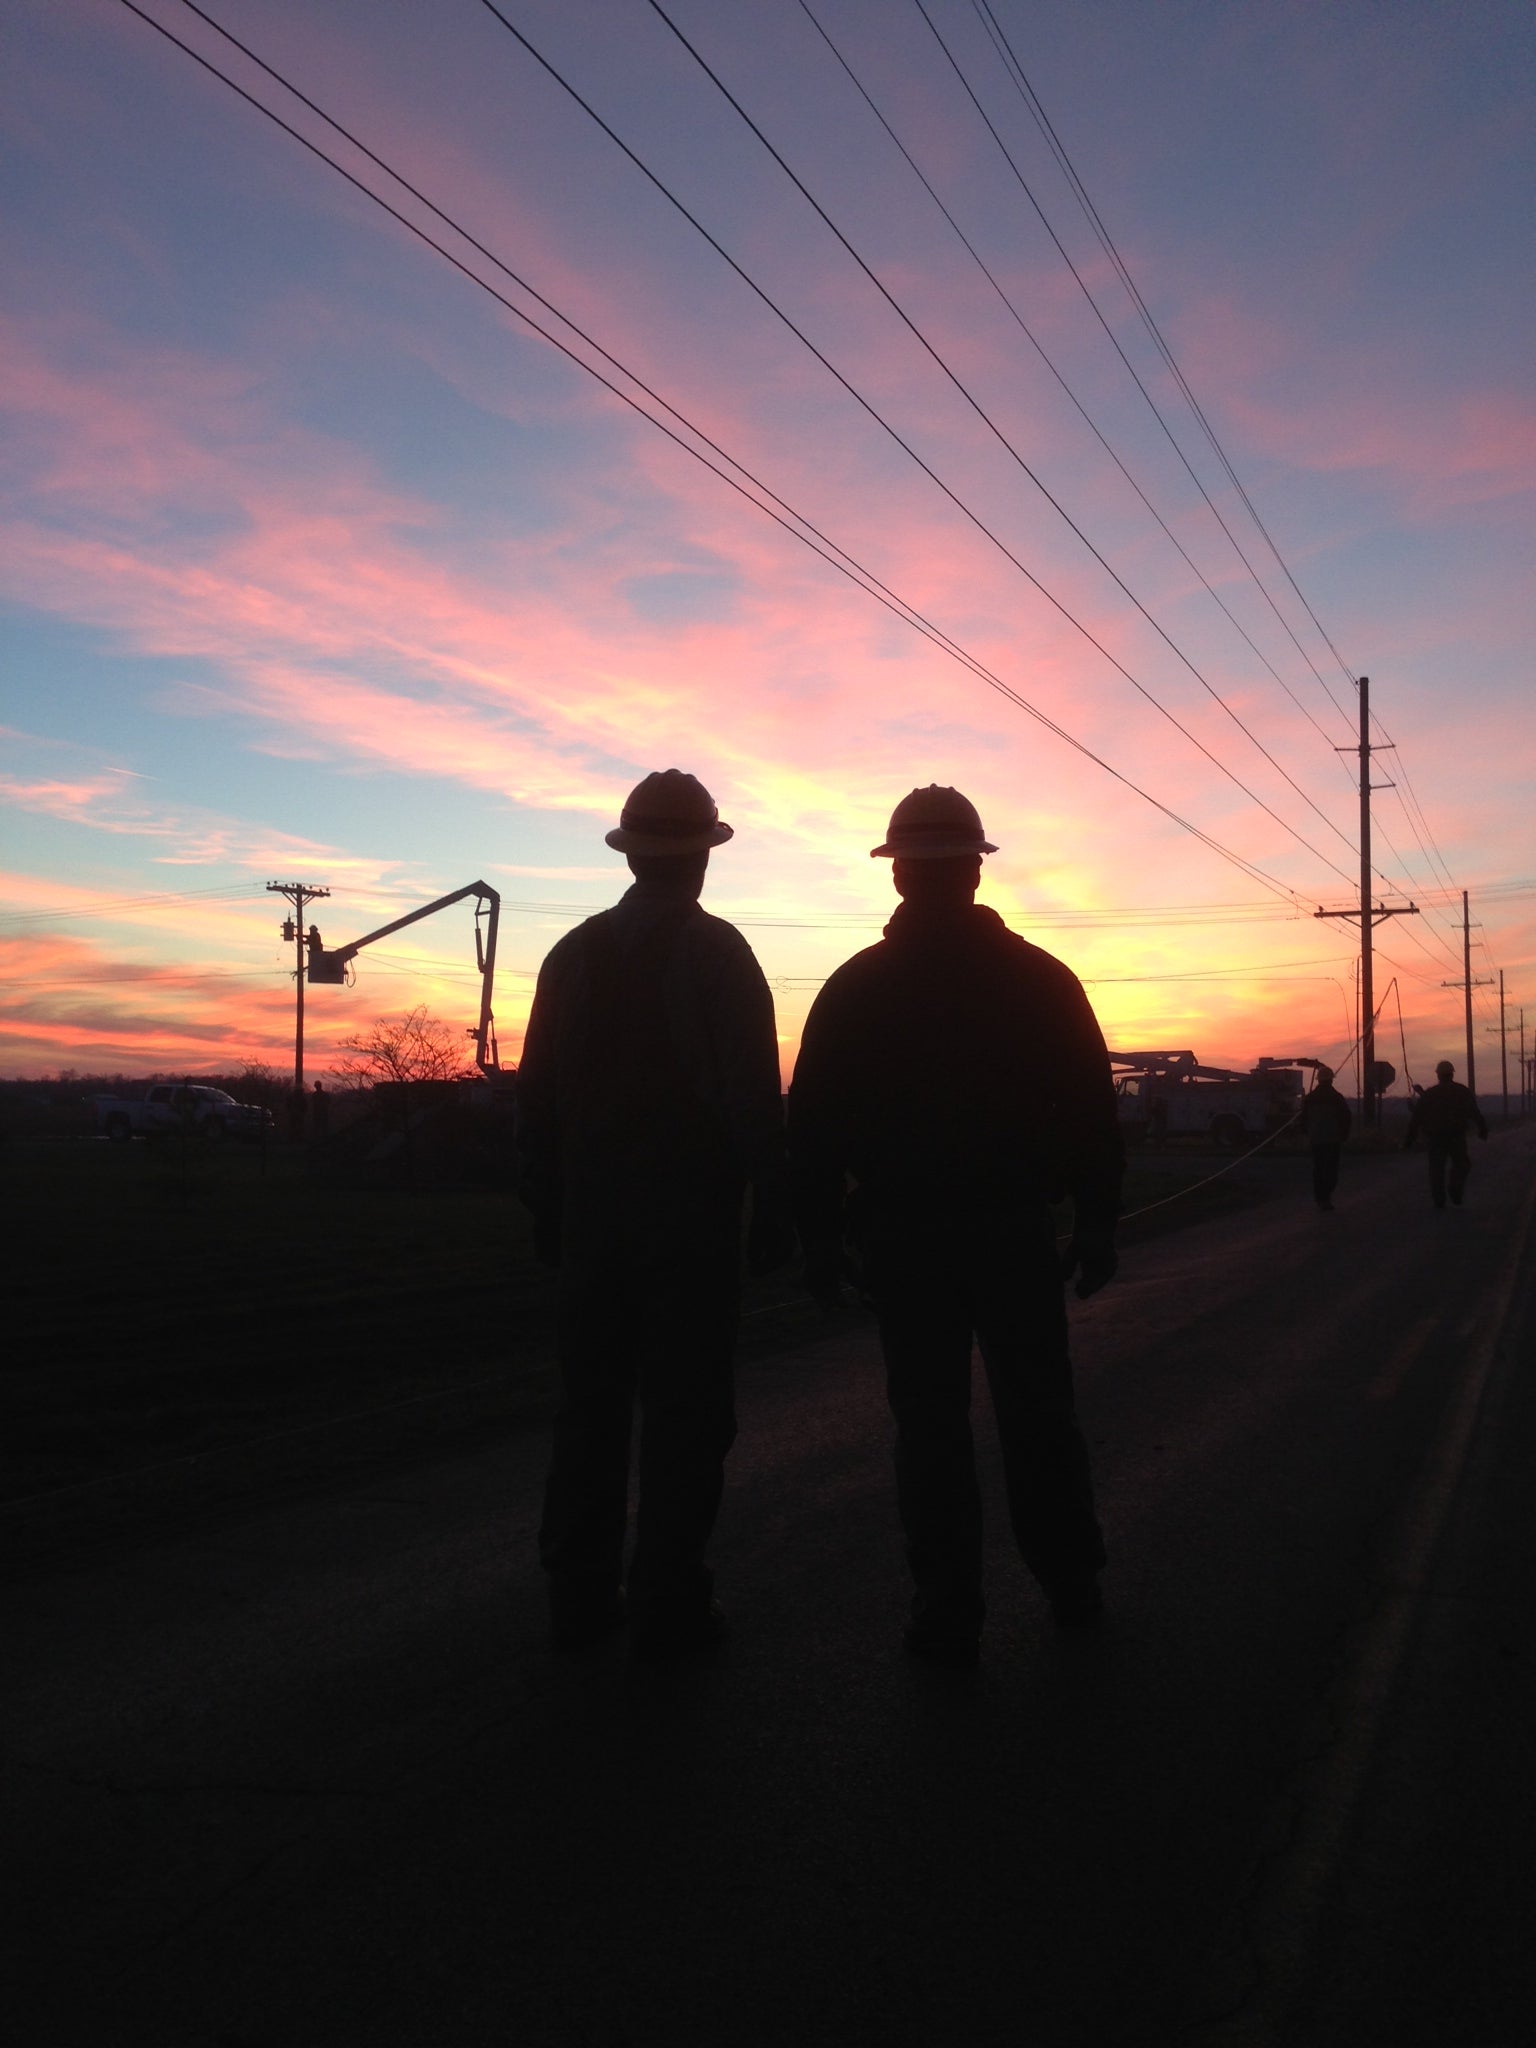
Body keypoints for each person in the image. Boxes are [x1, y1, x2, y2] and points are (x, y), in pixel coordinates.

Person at [788, 786, 1123, 1665]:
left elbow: (812, 1127)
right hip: (1012, 1233)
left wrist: (819, 1241)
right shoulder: (1041, 981)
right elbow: (1092, 1113)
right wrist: (1095, 1223)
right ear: (976, 870)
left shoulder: (857, 988)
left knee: (930, 1427)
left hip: (905, 1243)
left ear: (897, 874)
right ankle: (1071, 1584)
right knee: (1038, 1413)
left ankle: (946, 1611)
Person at [515, 770, 791, 1658]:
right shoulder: (721, 956)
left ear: (631, 856)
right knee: (686, 1415)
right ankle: (669, 1602)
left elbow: (535, 1100)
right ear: (703, 857)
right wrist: (774, 1206)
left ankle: (578, 1597)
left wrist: (549, 1208)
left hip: (594, 1224)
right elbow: (753, 1099)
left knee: (590, 1411)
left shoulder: (571, 954)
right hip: (690, 1229)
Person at [1405, 1059, 1488, 1209]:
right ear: (1451, 1074)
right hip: (1456, 1136)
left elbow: (1417, 1117)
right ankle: (1455, 1190)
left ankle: (1439, 1199)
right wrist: (1482, 1129)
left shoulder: (1431, 1094)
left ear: (1438, 1075)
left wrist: (1409, 1139)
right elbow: (1474, 1112)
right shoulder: (1462, 1091)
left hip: (1436, 1138)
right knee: (1461, 1165)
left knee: (1436, 1169)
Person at [1299, 1064, 1352, 1210]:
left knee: (1319, 1168)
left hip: (1316, 1139)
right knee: (1331, 1169)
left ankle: (1321, 1198)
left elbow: (1303, 1118)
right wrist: (1344, 1134)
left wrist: (1306, 1132)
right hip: (1333, 1139)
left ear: (1319, 1080)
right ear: (1331, 1080)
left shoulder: (1310, 1098)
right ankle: (1325, 1196)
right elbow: (1346, 1117)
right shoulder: (1337, 1098)